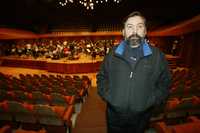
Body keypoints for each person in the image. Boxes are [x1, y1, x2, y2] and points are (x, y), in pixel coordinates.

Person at [97, 11, 172, 133]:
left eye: (140, 26)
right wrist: (109, 97)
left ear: (145, 31)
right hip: (114, 117)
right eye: (130, 26)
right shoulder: (112, 54)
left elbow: (165, 83)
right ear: (123, 32)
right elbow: (101, 77)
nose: (135, 31)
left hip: (142, 118)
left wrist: (150, 101)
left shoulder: (157, 56)